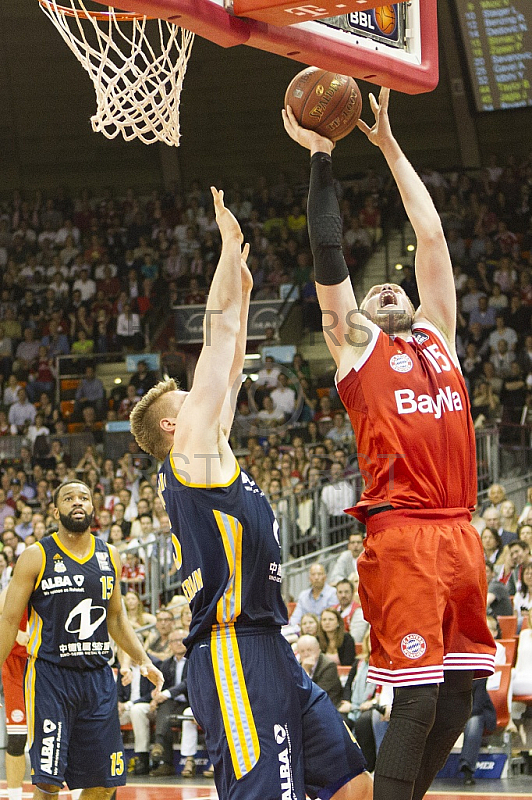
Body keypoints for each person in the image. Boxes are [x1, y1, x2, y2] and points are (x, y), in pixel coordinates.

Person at [283, 88, 495, 800]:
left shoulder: (440, 337)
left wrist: (390, 149)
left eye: (392, 288)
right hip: (403, 534)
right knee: (416, 700)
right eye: (372, 295)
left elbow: (430, 238)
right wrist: (321, 157)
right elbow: (328, 249)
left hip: (461, 534)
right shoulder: (355, 351)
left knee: (464, 694)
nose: (382, 294)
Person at [129, 189, 370, 800]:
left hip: (271, 645)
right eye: (184, 398)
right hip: (233, 652)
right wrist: (225, 252)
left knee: (353, 785)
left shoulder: (209, 456)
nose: (198, 394)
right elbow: (216, 341)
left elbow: (231, 364)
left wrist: (240, 276)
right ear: (169, 427)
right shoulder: (189, 453)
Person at [0, 480, 163, 800]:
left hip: (98, 679)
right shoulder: (36, 556)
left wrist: (143, 659)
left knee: (104, 785)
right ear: (56, 509)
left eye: (84, 498)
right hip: (51, 678)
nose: (78, 502)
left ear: (93, 508)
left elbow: (116, 618)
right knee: (48, 785)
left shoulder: (110, 555)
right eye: (69, 498)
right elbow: (7, 620)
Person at [0, 585, 28, 800]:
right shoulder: (13, 589)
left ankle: (73, 792)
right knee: (17, 738)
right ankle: (15, 795)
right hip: (15, 667)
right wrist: (15, 631)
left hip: (46, 665)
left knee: (58, 735)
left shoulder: (57, 586)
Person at [458, 679, 497, 786]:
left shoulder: (479, 676)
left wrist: (460, 716)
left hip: (478, 712)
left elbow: (478, 705)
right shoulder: (451, 674)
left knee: (473, 722)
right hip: (458, 712)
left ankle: (467, 769)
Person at [296, 634, 344, 709]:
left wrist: (305, 672)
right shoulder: (297, 666)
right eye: (302, 651)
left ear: (318, 650)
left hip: (327, 707)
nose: (306, 654)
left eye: (309, 650)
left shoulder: (328, 666)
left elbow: (315, 694)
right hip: (307, 708)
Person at [289, 562, 338, 630]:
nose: (316, 577)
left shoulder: (333, 593)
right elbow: (295, 618)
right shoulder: (303, 596)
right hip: (305, 631)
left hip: (325, 631)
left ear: (325, 577)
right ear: (309, 578)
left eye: (319, 574)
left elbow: (331, 618)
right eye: (313, 574)